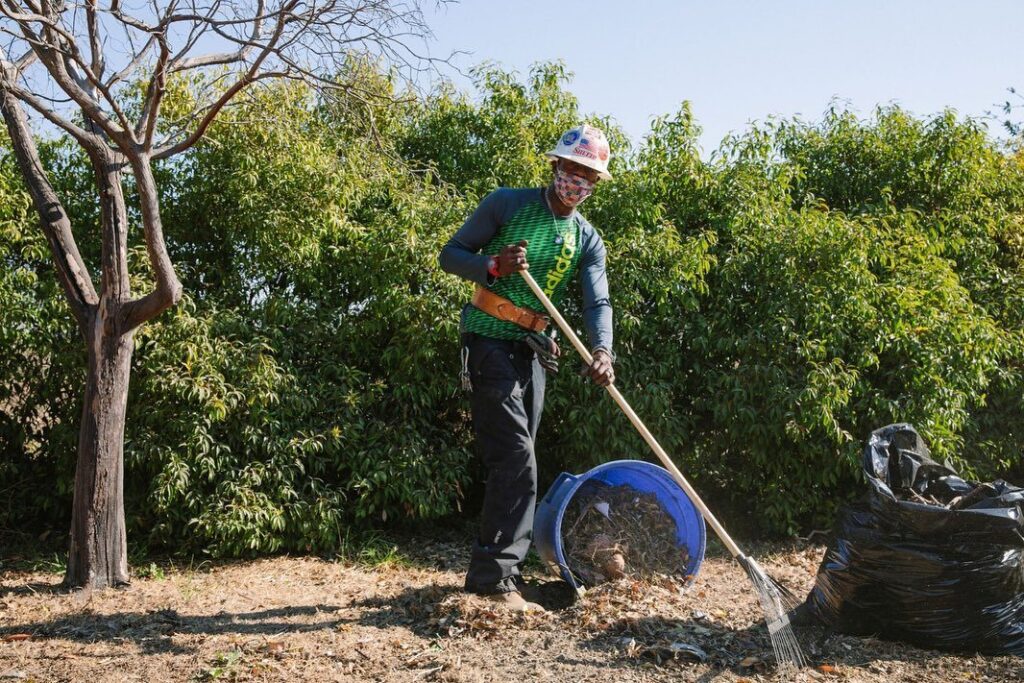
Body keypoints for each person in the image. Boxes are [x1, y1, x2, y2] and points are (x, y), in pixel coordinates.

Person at [439, 124, 616, 611]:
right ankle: (493, 580)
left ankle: (503, 572)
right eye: (571, 169)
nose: (577, 181)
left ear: (596, 184)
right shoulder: (508, 204)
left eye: (588, 175)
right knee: (517, 460)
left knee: (518, 458)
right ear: (555, 166)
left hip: (533, 349)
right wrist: (493, 265)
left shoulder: (586, 238)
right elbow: (450, 255)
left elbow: (597, 302)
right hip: (488, 339)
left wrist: (603, 352)